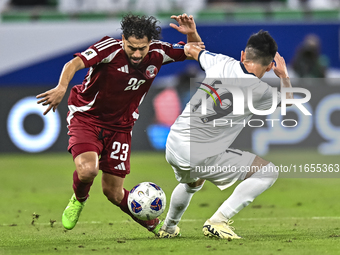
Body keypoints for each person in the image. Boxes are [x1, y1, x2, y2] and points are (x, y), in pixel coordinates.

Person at [36, 13, 203, 235]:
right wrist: (61, 87)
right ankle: (79, 199)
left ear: (149, 44)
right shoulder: (108, 48)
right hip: (87, 117)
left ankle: (154, 226)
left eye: (141, 48)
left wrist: (191, 32)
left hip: (121, 127)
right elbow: (74, 63)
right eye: (131, 47)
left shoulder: (159, 52)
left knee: (113, 192)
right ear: (123, 38)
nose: (136, 53)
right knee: (88, 171)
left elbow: (194, 51)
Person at [157, 30, 293, 239]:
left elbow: (193, 50)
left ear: (242, 56)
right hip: (198, 153)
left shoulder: (220, 62)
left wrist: (192, 33)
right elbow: (289, 101)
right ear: (268, 68)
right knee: (267, 172)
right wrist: (283, 75)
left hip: (174, 142)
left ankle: (168, 228)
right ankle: (218, 221)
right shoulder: (260, 91)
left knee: (193, 181)